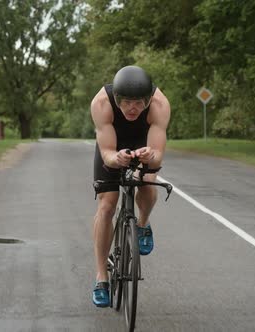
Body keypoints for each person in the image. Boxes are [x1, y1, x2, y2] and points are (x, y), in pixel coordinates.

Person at [89, 65, 171, 307]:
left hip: (144, 140)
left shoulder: (159, 105)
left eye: (139, 102)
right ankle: (101, 277)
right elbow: (106, 153)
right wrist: (117, 158)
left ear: (148, 100)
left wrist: (148, 156)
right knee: (106, 206)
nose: (133, 108)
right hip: (112, 143)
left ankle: (143, 224)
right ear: (117, 99)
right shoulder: (101, 104)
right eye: (126, 102)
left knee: (147, 183)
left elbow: (158, 157)